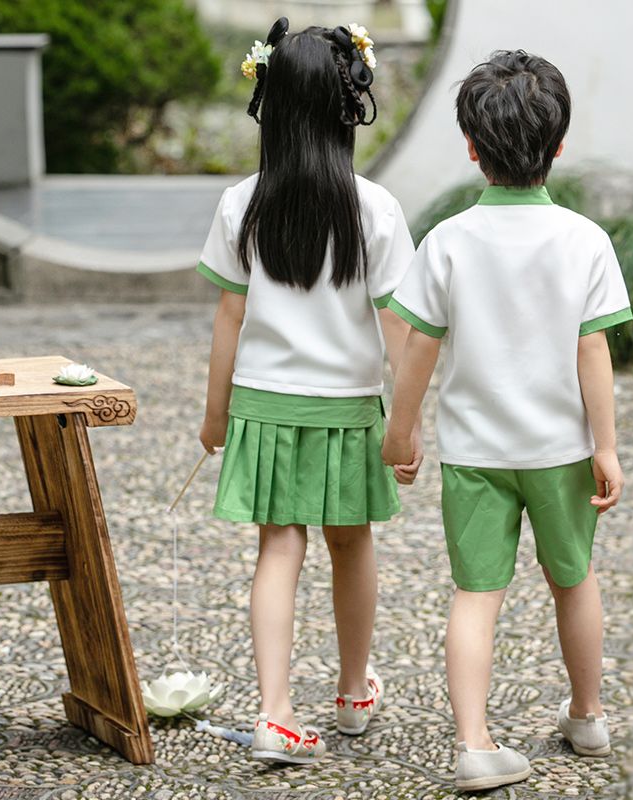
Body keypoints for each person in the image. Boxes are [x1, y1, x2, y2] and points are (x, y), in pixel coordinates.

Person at [382, 49, 633, 791]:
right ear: (558, 146)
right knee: (574, 581)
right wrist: (607, 447)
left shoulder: (448, 241)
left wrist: (402, 431)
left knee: (475, 596)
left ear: (471, 147)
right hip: (560, 449)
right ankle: (586, 715)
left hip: (474, 452)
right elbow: (594, 352)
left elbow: (418, 350)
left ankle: (473, 743)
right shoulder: (584, 240)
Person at [198, 18, 419, 765]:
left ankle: (273, 711)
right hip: (349, 406)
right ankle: (354, 691)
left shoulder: (241, 203)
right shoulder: (377, 209)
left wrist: (213, 415)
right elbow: (397, 328)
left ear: (274, 105)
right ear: (345, 107)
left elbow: (230, 317)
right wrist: (410, 422)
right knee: (352, 544)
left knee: (278, 549)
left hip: (263, 402)